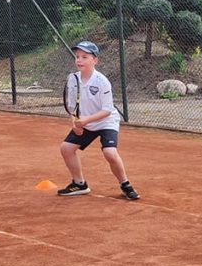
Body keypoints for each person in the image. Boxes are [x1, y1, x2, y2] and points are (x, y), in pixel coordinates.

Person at [57, 40, 140, 201]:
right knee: (66, 148)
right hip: (86, 122)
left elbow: (107, 110)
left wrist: (86, 120)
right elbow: (72, 106)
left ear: (95, 60)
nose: (79, 60)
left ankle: (125, 185)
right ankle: (79, 184)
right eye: (77, 56)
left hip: (106, 121)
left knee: (110, 153)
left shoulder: (102, 82)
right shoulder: (73, 79)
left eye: (85, 57)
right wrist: (75, 123)